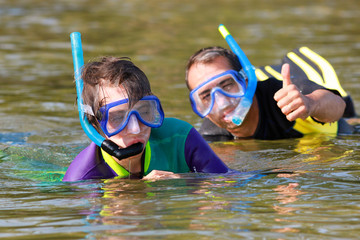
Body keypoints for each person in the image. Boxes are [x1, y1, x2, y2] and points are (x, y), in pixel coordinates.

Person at [63, 57, 229, 181]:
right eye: (118, 117)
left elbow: (233, 184)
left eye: (144, 111)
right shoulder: (81, 178)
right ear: (94, 124)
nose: (136, 129)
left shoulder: (180, 138)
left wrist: (183, 181)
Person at [185, 46, 354, 141]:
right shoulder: (210, 136)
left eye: (228, 84)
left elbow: (337, 105)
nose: (222, 103)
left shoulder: (282, 94)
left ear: (245, 81)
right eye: (206, 96)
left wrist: (311, 103)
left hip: (340, 132)